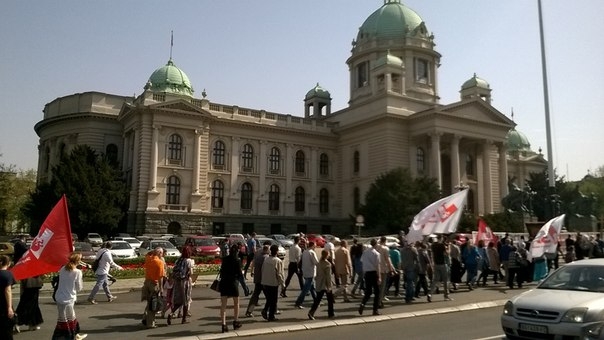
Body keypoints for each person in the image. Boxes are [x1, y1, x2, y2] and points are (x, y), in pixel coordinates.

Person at [52, 253, 87, 340]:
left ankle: (75, 335)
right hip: (69, 298)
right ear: (78, 261)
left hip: (59, 297)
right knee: (68, 319)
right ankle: (68, 337)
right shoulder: (77, 272)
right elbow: (79, 288)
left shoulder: (63, 268)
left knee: (64, 318)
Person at [219, 244, 244, 333]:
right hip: (233, 282)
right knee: (236, 303)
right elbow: (240, 273)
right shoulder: (237, 260)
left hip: (224, 282)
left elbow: (222, 270)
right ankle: (235, 321)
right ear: (237, 251)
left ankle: (223, 324)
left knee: (223, 304)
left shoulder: (225, 259)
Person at [167, 247, 193, 325]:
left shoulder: (178, 260)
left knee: (179, 300)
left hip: (177, 282)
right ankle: (184, 319)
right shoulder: (189, 261)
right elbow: (190, 272)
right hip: (185, 282)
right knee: (186, 300)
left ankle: (171, 313)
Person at [308, 249, 335, 320]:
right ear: (327, 255)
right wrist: (329, 286)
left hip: (319, 283)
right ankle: (331, 313)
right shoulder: (328, 264)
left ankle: (311, 312)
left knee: (318, 299)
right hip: (325, 284)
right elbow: (328, 276)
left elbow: (317, 273)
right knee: (330, 300)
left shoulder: (319, 263)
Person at [141, 247, 165, 329]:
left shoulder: (149, 259)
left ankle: (145, 318)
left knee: (149, 302)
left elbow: (147, 254)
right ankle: (150, 323)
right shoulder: (159, 262)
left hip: (146, 282)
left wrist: (154, 251)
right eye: (161, 253)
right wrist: (161, 288)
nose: (162, 255)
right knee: (153, 304)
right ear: (159, 254)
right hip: (154, 284)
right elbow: (161, 277)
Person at [245, 243, 270, 317]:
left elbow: (254, 264)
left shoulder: (258, 256)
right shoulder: (266, 258)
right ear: (267, 250)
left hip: (257, 279)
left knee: (255, 296)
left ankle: (249, 311)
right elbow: (265, 270)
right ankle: (271, 310)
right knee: (269, 296)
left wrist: (252, 272)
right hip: (263, 280)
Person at [261, 244, 285, 322]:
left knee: (269, 299)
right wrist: (282, 284)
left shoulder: (266, 259)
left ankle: (265, 310)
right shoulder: (278, 261)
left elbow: (262, 270)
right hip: (273, 282)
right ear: (277, 251)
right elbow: (279, 274)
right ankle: (271, 316)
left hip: (265, 281)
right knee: (274, 300)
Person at [359, 238, 381, 316]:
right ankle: (375, 310)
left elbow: (362, 261)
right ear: (375, 244)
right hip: (374, 273)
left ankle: (363, 303)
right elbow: (377, 265)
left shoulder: (365, 252)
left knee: (368, 291)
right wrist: (379, 277)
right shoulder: (376, 254)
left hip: (367, 273)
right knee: (377, 292)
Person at [428, 235, 452, 302]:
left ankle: (430, 293)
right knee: (445, 280)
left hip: (436, 264)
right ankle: (446, 296)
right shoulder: (442, 245)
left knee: (435, 280)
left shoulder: (433, 245)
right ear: (441, 238)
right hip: (442, 264)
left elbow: (432, 255)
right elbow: (447, 253)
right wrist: (449, 246)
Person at [294, 241, 318, 308]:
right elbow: (316, 262)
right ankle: (298, 302)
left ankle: (316, 301)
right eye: (315, 245)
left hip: (305, 272)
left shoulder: (304, 252)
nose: (315, 246)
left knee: (312, 288)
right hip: (311, 272)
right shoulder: (312, 252)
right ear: (312, 245)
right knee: (305, 290)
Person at [375, 236, 395, 307]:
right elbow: (388, 260)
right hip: (383, 269)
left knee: (377, 287)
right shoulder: (385, 249)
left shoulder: (375, 248)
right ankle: (379, 302)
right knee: (382, 287)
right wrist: (392, 270)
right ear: (385, 241)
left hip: (375, 269)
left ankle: (377, 300)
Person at [0, 255, 16, 340]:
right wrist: (9, 307)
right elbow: (8, 291)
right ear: (8, 263)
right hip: (4, 305)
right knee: (7, 331)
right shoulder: (8, 274)